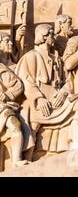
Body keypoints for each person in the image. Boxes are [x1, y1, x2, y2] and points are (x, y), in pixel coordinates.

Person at [15, 25, 78, 159]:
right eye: (50, 34)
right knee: (30, 125)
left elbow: (68, 81)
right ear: (43, 37)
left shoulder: (58, 59)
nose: (53, 37)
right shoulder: (31, 56)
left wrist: (64, 92)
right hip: (40, 103)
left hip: (58, 100)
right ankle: (26, 158)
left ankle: (77, 140)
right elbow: (25, 80)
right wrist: (39, 99)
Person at [0, 32, 28, 167]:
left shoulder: (2, 68)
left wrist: (7, 95)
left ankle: (16, 160)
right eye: (7, 41)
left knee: (15, 124)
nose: (10, 43)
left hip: (2, 107)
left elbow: (18, 85)